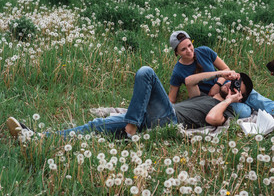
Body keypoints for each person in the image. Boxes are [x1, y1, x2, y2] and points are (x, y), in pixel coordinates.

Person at [6, 66, 253, 141]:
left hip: (168, 120)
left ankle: (131, 129)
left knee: (146, 72)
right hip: (148, 118)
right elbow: (189, 80)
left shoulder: (227, 110)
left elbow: (212, 120)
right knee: (97, 124)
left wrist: (231, 97)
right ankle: (37, 137)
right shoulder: (203, 94)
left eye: (237, 88)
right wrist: (225, 74)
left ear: (239, 97)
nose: (232, 86)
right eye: (234, 82)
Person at [169, 30, 274, 118]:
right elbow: (172, 99)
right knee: (244, 111)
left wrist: (217, 84)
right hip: (218, 99)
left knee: (258, 100)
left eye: (189, 45)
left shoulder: (204, 51)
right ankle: (253, 110)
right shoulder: (178, 71)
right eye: (183, 49)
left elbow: (226, 69)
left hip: (230, 85)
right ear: (176, 52)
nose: (189, 50)